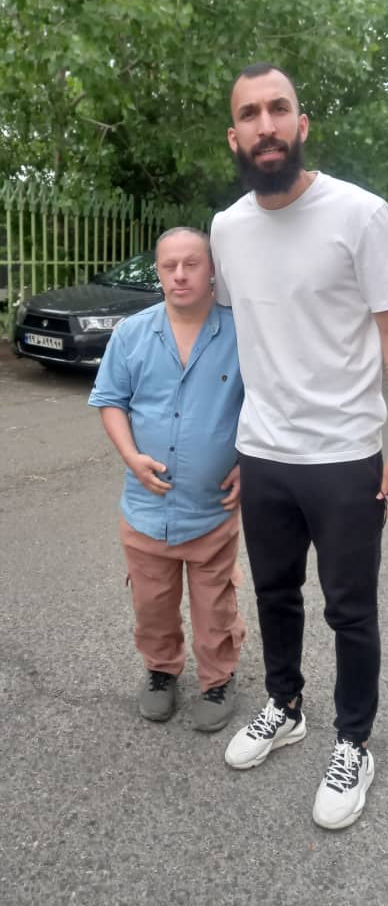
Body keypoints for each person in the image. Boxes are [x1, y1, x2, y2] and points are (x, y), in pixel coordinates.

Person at [210, 62, 388, 829]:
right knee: (274, 594)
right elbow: (242, 338)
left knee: (350, 610)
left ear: (301, 125)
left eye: (279, 108)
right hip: (264, 453)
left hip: (343, 455)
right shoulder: (227, 228)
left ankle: (354, 742)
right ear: (234, 136)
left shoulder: (359, 213)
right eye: (250, 113)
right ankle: (285, 705)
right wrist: (227, 443)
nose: (265, 124)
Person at [88, 227, 245, 732]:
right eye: (168, 266)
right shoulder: (131, 333)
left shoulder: (242, 333)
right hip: (145, 508)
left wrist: (249, 463)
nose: (179, 275)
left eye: (191, 264)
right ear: (158, 271)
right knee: (151, 602)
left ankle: (218, 679)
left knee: (214, 603)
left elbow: (266, 405)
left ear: (212, 269)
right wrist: (131, 456)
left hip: (212, 510)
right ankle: (161, 672)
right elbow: (110, 400)